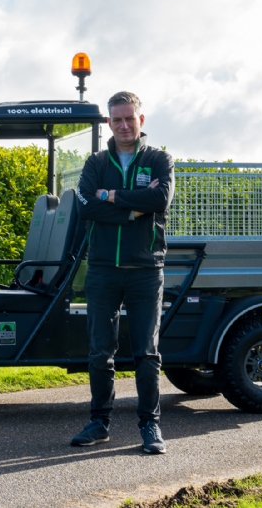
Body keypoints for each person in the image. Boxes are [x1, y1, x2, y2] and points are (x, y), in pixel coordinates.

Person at [71, 91, 175, 454]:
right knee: (101, 351)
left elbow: (159, 200)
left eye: (130, 118)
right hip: (102, 270)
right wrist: (134, 207)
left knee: (147, 352)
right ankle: (99, 422)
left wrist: (111, 197)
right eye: (117, 120)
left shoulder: (160, 159)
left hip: (146, 269)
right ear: (109, 124)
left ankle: (150, 426)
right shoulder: (95, 163)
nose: (124, 125)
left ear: (141, 120)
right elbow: (85, 207)